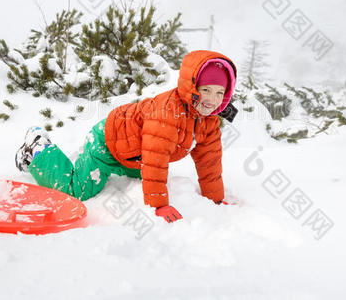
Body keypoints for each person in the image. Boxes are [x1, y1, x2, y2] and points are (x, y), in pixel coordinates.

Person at [14, 50, 238, 223]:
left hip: (134, 153)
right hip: (108, 142)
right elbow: (155, 159)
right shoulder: (167, 113)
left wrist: (215, 199)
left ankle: (74, 161)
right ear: (192, 86)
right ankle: (38, 149)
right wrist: (159, 205)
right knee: (78, 191)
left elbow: (209, 163)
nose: (212, 99)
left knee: (144, 173)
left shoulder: (208, 120)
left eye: (220, 93)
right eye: (206, 90)